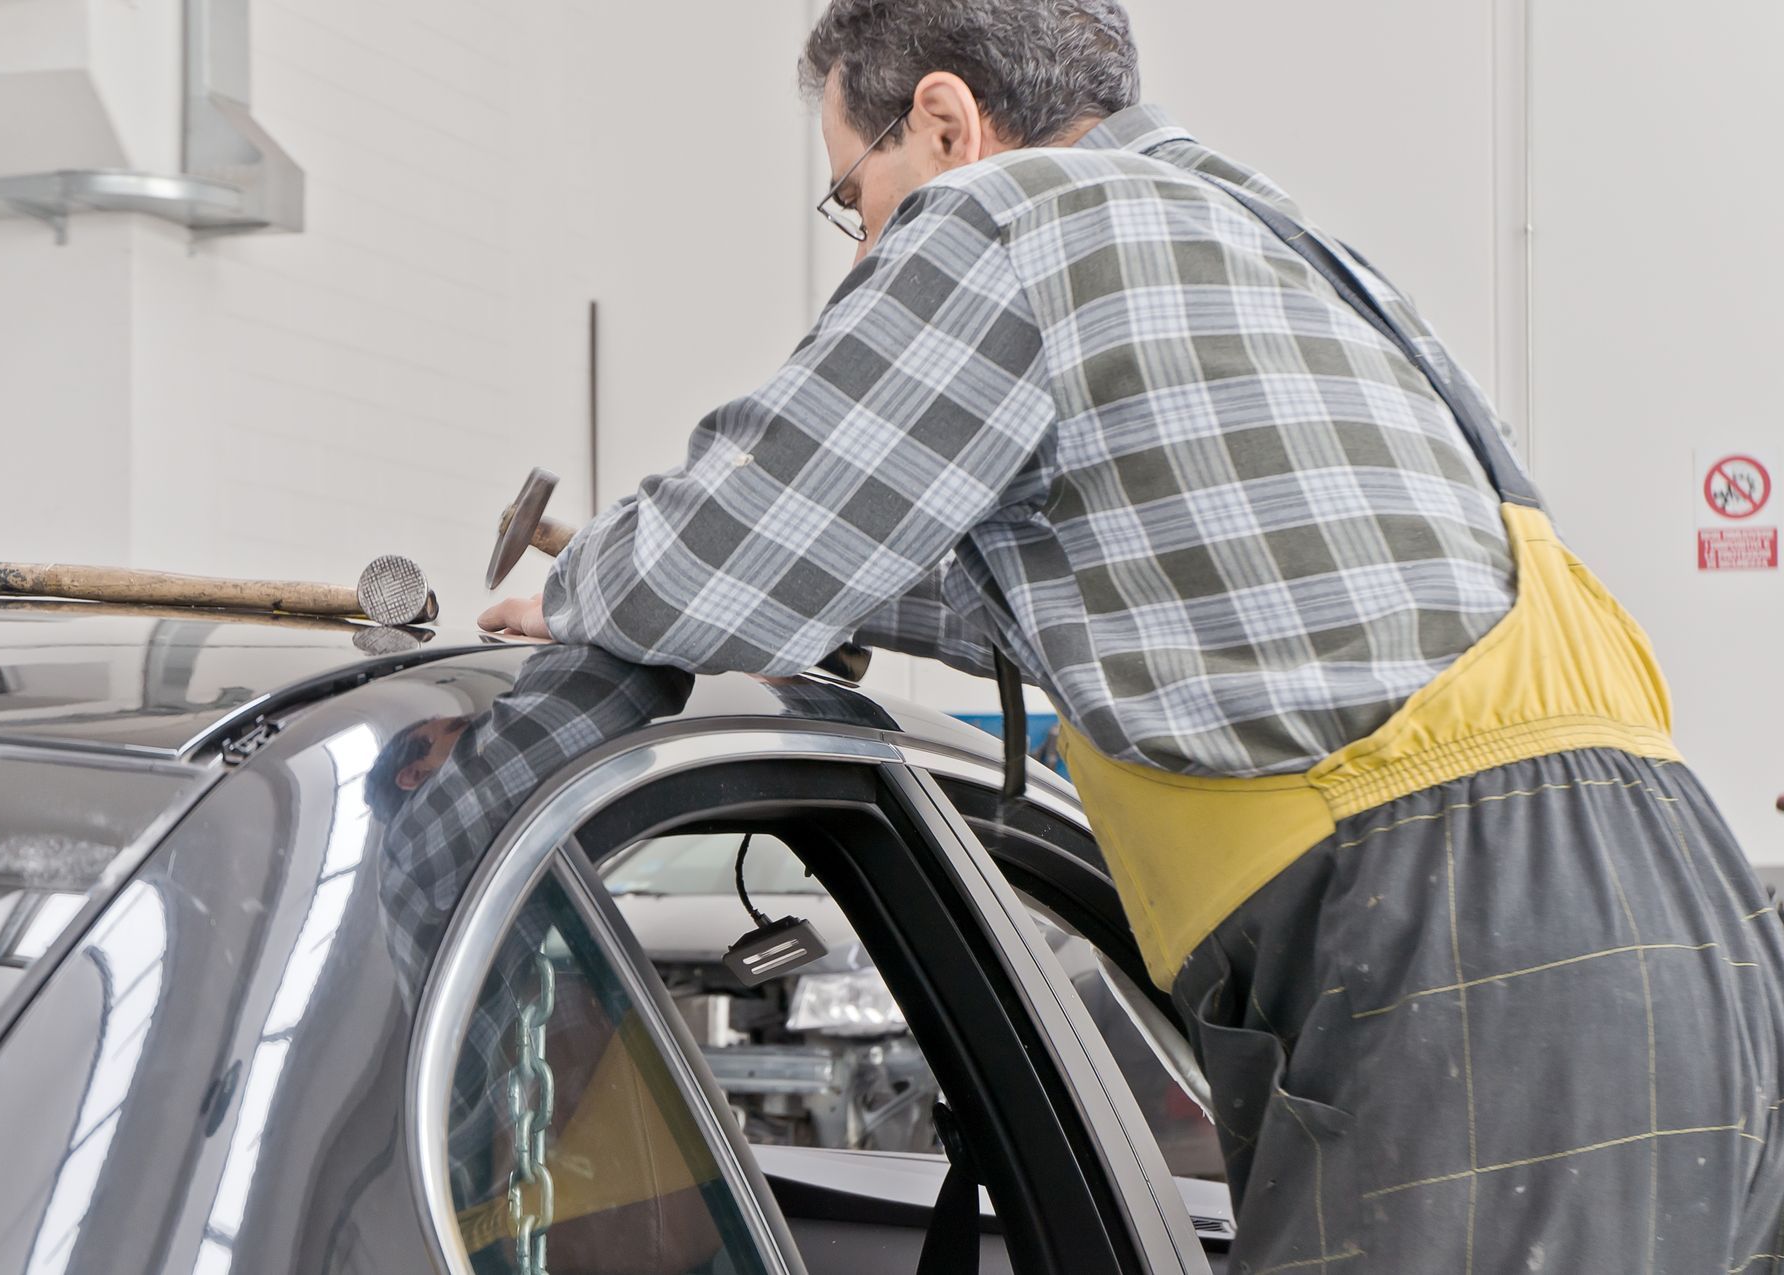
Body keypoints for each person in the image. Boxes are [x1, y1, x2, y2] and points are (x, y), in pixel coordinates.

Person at [480, 1, 1784, 1268]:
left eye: (846, 193)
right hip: (1676, 922)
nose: (860, 238)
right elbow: (1079, 583)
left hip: (1461, 946)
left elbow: (741, 540)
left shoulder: (1008, 211)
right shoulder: (1259, 236)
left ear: (943, 119)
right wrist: (801, 602)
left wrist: (586, 585)